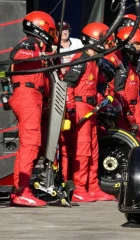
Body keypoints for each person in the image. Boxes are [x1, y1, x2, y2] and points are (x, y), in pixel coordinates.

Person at [9, 11, 57, 206]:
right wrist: (42, 54)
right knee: (31, 142)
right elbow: (16, 54)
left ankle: (21, 188)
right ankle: (21, 191)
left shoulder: (37, 46)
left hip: (33, 97)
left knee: (32, 143)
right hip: (26, 95)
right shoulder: (29, 44)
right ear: (41, 27)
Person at [63, 22, 115, 202]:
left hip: (91, 109)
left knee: (93, 149)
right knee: (82, 150)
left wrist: (103, 101)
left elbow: (90, 87)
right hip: (80, 109)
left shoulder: (93, 62)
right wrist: (70, 108)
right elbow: (68, 85)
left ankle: (92, 187)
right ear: (93, 40)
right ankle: (79, 188)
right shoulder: (81, 59)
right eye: (103, 39)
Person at [115, 26, 140, 140]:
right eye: (138, 44)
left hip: (134, 107)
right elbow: (119, 90)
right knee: (125, 139)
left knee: (138, 137)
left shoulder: (130, 65)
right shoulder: (122, 64)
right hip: (124, 110)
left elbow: (134, 88)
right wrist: (127, 112)